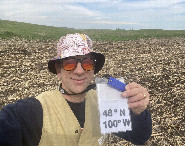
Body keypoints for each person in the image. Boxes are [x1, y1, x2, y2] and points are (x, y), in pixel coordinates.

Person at [0, 33, 152, 146]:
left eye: (87, 63)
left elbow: (139, 136)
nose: (79, 71)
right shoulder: (31, 111)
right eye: (69, 63)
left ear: (93, 70)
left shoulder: (106, 102)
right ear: (58, 71)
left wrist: (138, 111)